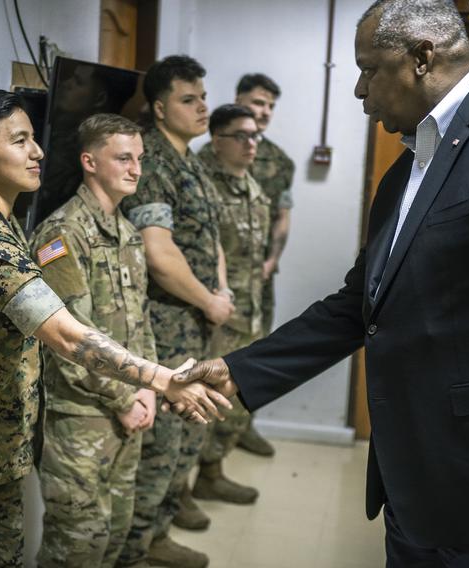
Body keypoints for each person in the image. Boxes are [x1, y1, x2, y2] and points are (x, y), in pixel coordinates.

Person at [178, 1, 469, 566]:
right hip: (415, 480)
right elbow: (360, 304)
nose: (359, 90)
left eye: (369, 69)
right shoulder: (408, 169)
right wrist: (238, 369)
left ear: (422, 57)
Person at [0, 90, 228, 568]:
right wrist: (160, 379)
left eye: (34, 138)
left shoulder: (4, 223)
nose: (38, 152)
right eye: (21, 141)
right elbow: (68, 334)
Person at [118, 56, 233, 568]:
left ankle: (158, 532)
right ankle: (135, 550)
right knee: (162, 442)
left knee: (189, 432)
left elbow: (210, 237)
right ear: (160, 108)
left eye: (203, 96)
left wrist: (222, 291)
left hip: (199, 322)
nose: (202, 106)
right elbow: (159, 254)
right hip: (168, 324)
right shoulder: (155, 163)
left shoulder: (191, 159)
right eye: (189, 99)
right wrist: (210, 300)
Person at [30, 114, 156, 566]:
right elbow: (66, 340)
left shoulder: (127, 233)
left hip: (127, 410)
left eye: (139, 158)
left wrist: (149, 388)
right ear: (89, 161)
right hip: (78, 417)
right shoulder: (61, 235)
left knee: (116, 532)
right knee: (78, 545)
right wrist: (127, 398)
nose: (136, 169)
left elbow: (140, 321)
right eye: (123, 158)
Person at [193, 104, 269, 504]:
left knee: (233, 403)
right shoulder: (204, 184)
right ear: (217, 140)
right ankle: (185, 489)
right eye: (241, 136)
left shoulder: (250, 184)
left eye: (255, 135)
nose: (251, 143)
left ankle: (211, 472)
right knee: (202, 404)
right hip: (214, 317)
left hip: (248, 311)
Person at [233, 73, 296, 457]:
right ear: (239, 100)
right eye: (258, 102)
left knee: (255, 351)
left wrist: (272, 260)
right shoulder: (214, 151)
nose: (264, 111)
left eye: (270, 106)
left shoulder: (278, 162)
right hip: (219, 281)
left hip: (259, 278)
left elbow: (282, 216)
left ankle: (243, 426)